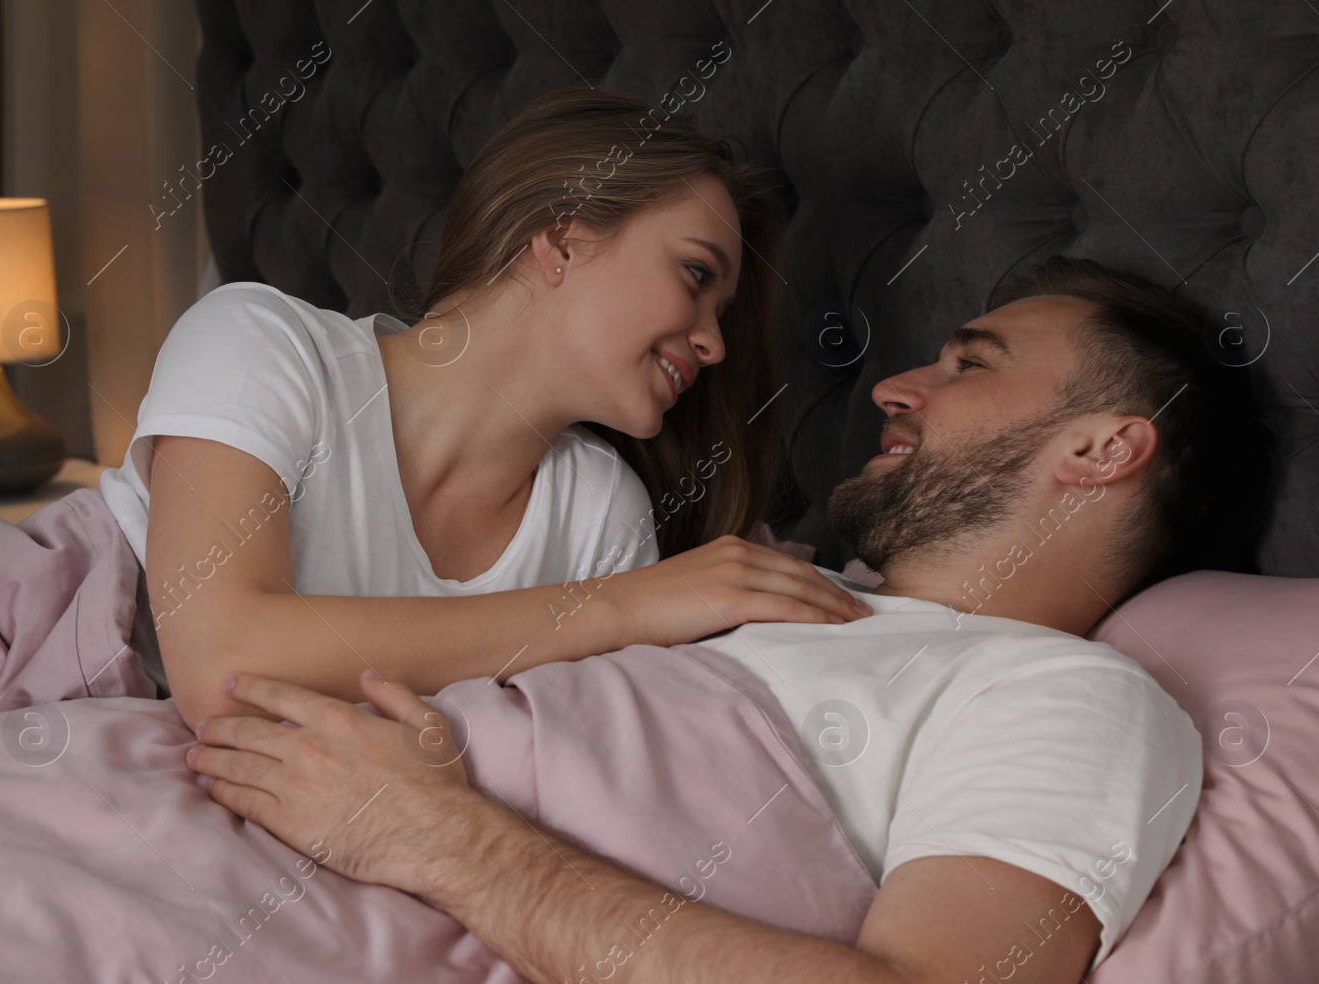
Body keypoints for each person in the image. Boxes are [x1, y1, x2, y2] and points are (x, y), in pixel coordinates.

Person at [185, 255, 1277, 984]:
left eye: (967, 363)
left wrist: (444, 837)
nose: (894, 386)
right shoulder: (742, 590)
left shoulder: (1071, 695)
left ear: (1101, 447)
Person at [97, 88, 869, 733]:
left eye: (722, 314)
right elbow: (222, 666)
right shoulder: (262, 343)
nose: (715, 345)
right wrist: (617, 608)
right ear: (561, 239)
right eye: (696, 273)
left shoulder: (600, 515)